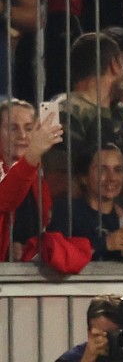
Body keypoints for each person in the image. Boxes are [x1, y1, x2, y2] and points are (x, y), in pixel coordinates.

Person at [48, 31, 123, 200]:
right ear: (115, 65)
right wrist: (122, 181)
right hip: (79, 220)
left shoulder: (118, 110)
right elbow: (57, 182)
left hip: (118, 218)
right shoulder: (62, 110)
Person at [47, 144, 123, 262]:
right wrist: (106, 243)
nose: (112, 178)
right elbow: (56, 253)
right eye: (102, 170)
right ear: (83, 177)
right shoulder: (66, 211)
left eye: (118, 170)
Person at [0, 100, 62, 261]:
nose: (22, 135)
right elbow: (5, 200)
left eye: (29, 128)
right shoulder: (30, 164)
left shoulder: (36, 176)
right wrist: (33, 152)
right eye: (13, 128)